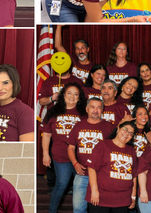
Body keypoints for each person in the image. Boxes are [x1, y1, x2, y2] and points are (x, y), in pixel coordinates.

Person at [42, 82, 86, 213]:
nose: (72, 96)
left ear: (79, 97)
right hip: (61, 156)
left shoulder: (84, 113)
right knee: (61, 184)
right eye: (69, 93)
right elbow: (46, 135)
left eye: (76, 94)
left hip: (80, 156)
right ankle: (52, 211)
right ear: (63, 95)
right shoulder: (53, 112)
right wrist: (45, 154)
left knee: (82, 186)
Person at [87, 121, 139, 212]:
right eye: (125, 129)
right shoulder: (103, 145)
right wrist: (94, 191)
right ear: (118, 128)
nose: (127, 134)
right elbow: (91, 168)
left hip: (123, 199)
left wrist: (133, 196)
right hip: (101, 197)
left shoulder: (131, 151)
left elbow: (134, 176)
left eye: (131, 133)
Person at [0, 64, 35, 141]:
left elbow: (27, 147)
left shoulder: (26, 113)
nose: (0, 88)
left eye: (5, 83)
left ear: (14, 84)